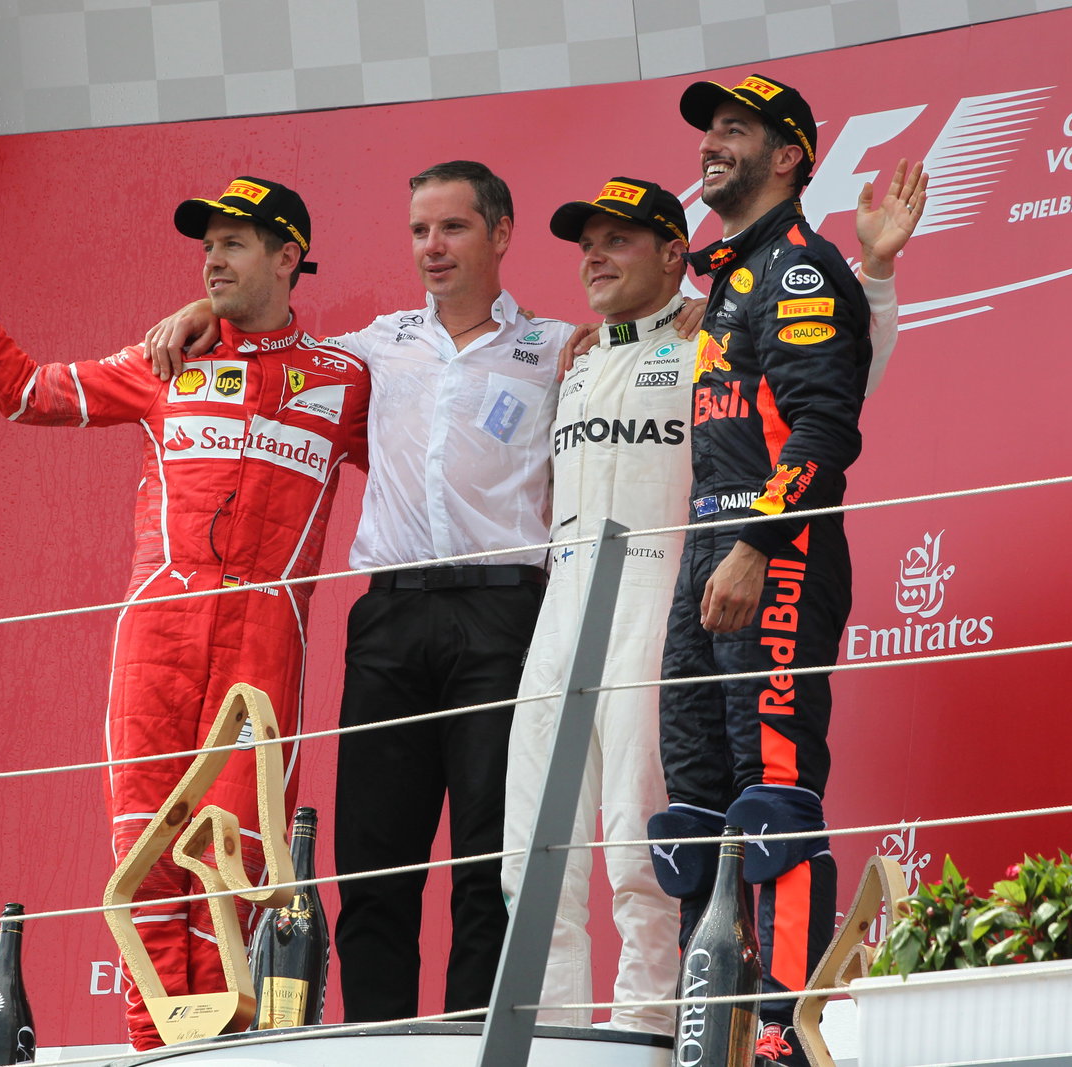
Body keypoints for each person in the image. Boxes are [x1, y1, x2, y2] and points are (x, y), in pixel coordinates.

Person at [0, 176, 369, 1050]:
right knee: (144, 856)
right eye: (206, 247)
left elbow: (438, 434)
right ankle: (152, 1046)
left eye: (233, 244)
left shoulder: (346, 379)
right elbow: (25, 392)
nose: (212, 259)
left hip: (265, 642)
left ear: (287, 258)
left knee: (236, 859)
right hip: (156, 636)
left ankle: (225, 1048)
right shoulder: (167, 359)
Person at [141, 161, 582, 1022]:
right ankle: (376, 1037)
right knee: (374, 856)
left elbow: (647, 345)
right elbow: (275, 341)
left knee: (490, 854)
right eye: (419, 231)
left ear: (499, 233)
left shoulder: (557, 346)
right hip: (392, 614)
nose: (432, 248)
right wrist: (209, 309)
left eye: (452, 228)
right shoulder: (373, 347)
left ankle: (467, 1039)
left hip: (505, 610)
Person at [503, 159, 920, 1037]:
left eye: (617, 240)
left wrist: (875, 275)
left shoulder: (707, 333)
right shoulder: (564, 357)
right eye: (587, 245)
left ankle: (649, 1030)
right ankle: (551, 1040)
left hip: (664, 595)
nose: (596, 258)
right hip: (562, 604)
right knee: (530, 854)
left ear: (672, 251)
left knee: (637, 846)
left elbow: (844, 376)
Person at [646, 73, 926, 1064]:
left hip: (774, 549)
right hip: (708, 549)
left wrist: (757, 546)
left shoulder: (801, 270)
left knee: (771, 795)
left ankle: (782, 1030)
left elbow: (822, 428)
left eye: (735, 130)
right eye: (708, 130)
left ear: (789, 155)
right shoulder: (731, 273)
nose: (712, 143)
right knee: (692, 803)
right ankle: (705, 1025)